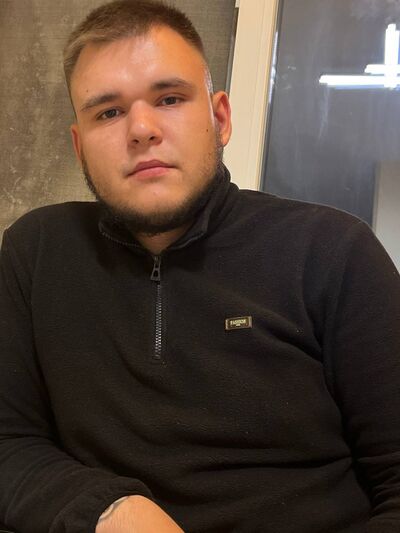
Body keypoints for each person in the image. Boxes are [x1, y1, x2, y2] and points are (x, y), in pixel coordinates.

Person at [0, 0, 400, 531]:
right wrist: (107, 508)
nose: (141, 129)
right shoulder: (36, 252)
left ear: (220, 118)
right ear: (79, 146)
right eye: (108, 112)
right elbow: (9, 442)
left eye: (169, 98)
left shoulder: (334, 251)